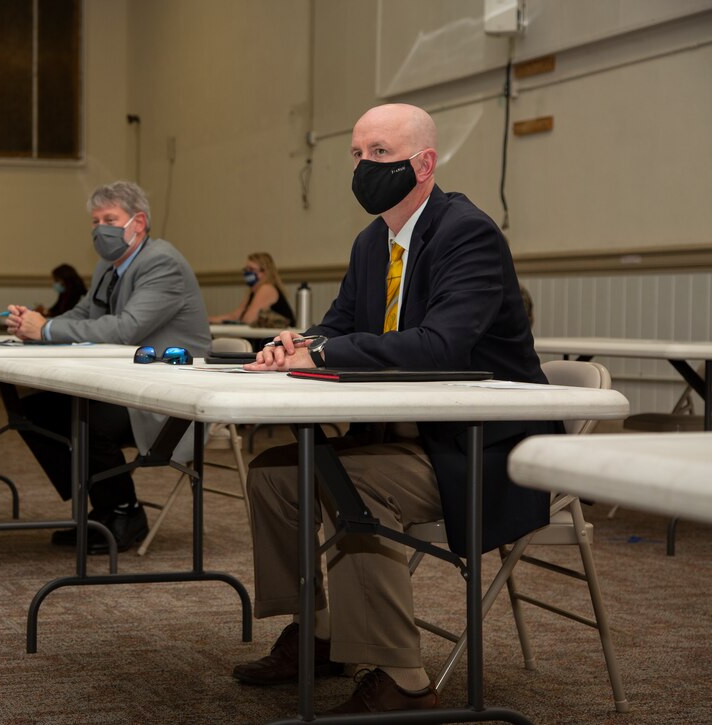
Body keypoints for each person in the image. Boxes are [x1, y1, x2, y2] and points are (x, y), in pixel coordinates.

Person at [231, 104, 558, 715]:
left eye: (378, 153)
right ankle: (322, 631)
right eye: (356, 154)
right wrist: (295, 343)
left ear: (424, 163)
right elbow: (339, 325)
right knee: (275, 471)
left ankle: (405, 681)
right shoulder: (373, 241)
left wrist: (322, 348)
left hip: (481, 447)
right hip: (409, 437)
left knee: (348, 483)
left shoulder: (468, 233)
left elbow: (441, 345)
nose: (363, 166)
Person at [4, 181, 210, 554]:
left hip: (169, 389)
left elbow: (125, 329)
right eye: (96, 220)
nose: (100, 229)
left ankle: (126, 512)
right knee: (33, 410)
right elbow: (85, 314)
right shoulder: (108, 266)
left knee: (86, 419)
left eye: (110, 219)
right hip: (126, 380)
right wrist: (34, 325)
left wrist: (46, 329)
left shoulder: (162, 263)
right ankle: (104, 506)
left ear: (139, 222)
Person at [209, 252, 296, 328]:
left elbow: (248, 320)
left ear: (264, 272)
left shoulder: (267, 288)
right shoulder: (253, 291)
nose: (247, 272)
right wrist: (209, 320)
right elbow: (235, 316)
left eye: (251, 269)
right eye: (246, 269)